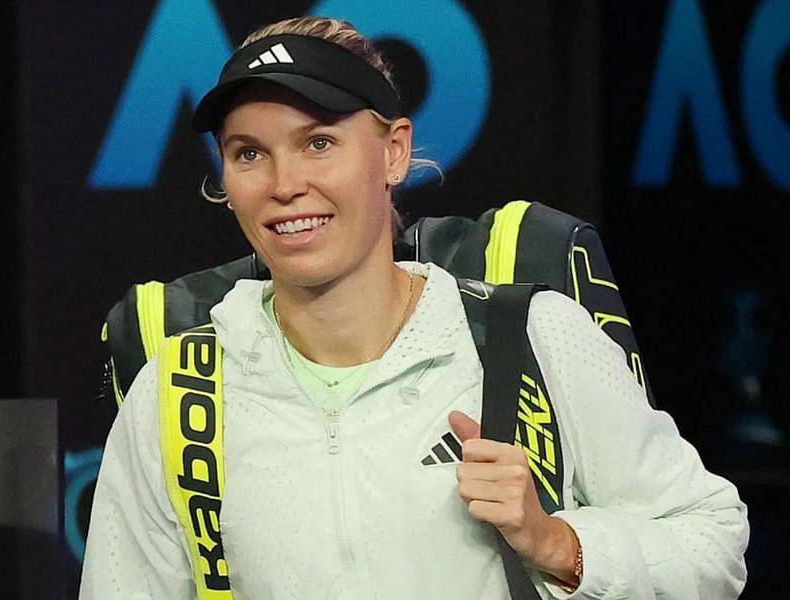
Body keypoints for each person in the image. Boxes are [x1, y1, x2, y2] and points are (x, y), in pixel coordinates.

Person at [79, 17, 748, 599]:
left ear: (394, 151)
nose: (285, 186)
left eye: (318, 143)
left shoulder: (532, 337)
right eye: (249, 154)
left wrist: (559, 545)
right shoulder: (176, 390)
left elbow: (712, 547)